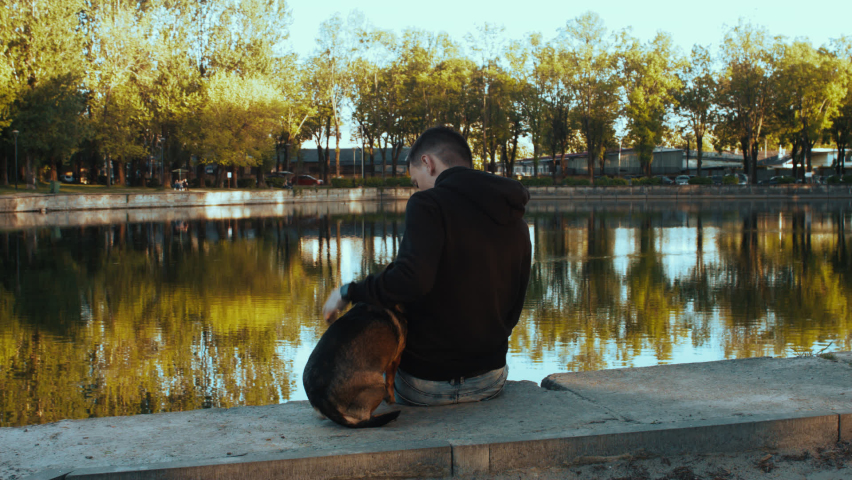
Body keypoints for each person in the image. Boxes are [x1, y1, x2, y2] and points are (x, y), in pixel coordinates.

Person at [322, 126, 531, 406]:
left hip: (426, 385)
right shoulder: (514, 214)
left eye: (415, 181)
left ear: (427, 163)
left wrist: (348, 292)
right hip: (489, 380)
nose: (417, 188)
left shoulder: (427, 204)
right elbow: (516, 305)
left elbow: (411, 279)